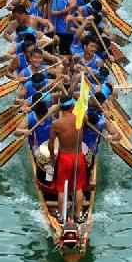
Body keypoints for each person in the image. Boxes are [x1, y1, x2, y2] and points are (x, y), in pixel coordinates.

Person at [48, 96, 87, 224]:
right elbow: (85, 113)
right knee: (78, 187)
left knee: (61, 189)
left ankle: (61, 215)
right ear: (71, 107)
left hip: (64, 158)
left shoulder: (56, 124)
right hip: (79, 156)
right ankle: (78, 214)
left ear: (60, 108)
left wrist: (52, 156)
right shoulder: (81, 118)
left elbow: (51, 144)